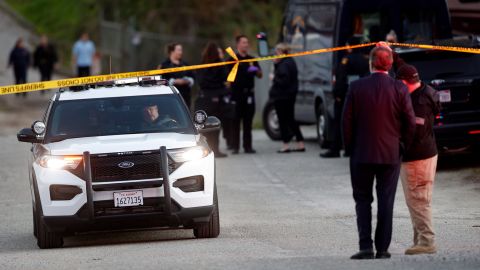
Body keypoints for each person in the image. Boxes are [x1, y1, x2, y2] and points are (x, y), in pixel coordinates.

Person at [342, 45, 416, 260]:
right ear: (390, 64)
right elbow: (410, 122)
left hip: (361, 153)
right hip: (390, 153)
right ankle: (382, 248)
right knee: (386, 201)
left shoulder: (356, 87)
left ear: (371, 62)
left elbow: (346, 122)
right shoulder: (400, 88)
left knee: (363, 200)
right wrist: (403, 146)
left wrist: (349, 149)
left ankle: (366, 246)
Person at [396, 65, 441, 255]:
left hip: (417, 157)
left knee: (418, 200)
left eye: (399, 83)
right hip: (426, 153)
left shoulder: (419, 103)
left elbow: (414, 133)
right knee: (417, 199)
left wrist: (396, 148)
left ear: (405, 82)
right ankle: (419, 240)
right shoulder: (426, 90)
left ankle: (427, 241)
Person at [320, 36, 369, 158]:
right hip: (361, 95)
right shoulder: (365, 60)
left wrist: (337, 95)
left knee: (340, 122)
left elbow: (341, 79)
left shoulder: (346, 60)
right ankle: (351, 149)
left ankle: (335, 149)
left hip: (345, 95)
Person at [227, 35, 262, 154]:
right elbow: (227, 78)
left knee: (248, 122)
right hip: (236, 95)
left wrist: (255, 70)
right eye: (243, 42)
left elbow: (260, 75)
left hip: (249, 95)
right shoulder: (232, 60)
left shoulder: (252, 60)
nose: (246, 45)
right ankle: (235, 147)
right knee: (235, 121)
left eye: (247, 42)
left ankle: (248, 146)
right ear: (238, 44)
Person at [269, 43, 304, 153]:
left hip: (282, 96)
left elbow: (283, 80)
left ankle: (285, 144)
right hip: (290, 95)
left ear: (281, 52)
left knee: (282, 120)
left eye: (276, 52)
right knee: (291, 119)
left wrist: (274, 77)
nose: (275, 55)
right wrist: (276, 64)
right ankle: (300, 142)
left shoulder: (284, 64)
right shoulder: (291, 61)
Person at [196, 42, 229, 158]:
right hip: (217, 98)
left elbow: (199, 81)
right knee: (215, 125)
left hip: (204, 98)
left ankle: (207, 150)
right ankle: (216, 149)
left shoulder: (201, 65)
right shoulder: (220, 65)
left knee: (205, 126)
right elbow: (226, 78)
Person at [159, 43, 195, 109]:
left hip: (185, 98)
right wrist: (174, 81)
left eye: (181, 50)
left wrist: (187, 81)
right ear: (172, 51)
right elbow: (160, 80)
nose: (181, 52)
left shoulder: (185, 64)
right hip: (170, 98)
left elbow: (193, 77)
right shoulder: (164, 65)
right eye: (179, 50)